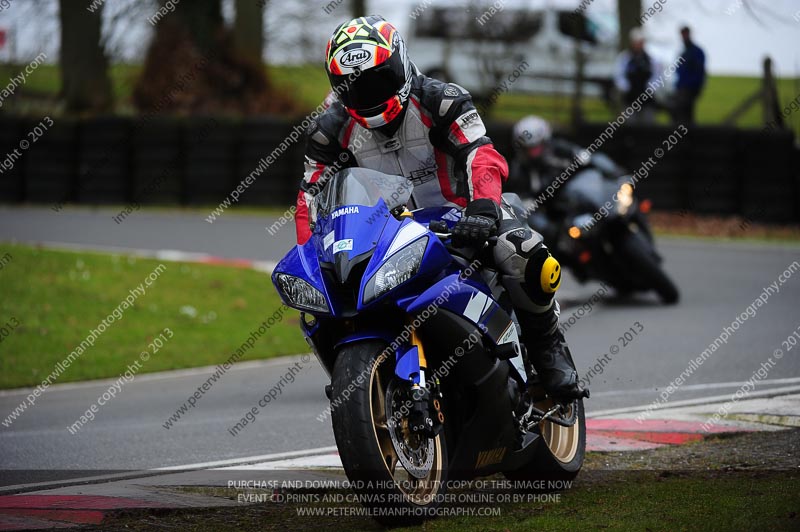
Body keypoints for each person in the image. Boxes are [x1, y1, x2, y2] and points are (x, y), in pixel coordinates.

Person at [294, 16, 587, 401]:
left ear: (399, 64)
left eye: (377, 80)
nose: (368, 94)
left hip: (463, 216)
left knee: (522, 250)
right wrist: (310, 253)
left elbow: (480, 154)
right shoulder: (328, 130)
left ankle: (548, 344)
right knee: (326, 298)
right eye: (355, 85)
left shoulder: (441, 99)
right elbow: (310, 197)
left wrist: (483, 208)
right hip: (388, 233)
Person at [614, 28, 658, 123]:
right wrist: (626, 87)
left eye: (641, 42)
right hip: (630, 98)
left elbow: (656, 76)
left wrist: (650, 88)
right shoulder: (624, 58)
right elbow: (618, 76)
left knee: (648, 124)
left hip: (647, 99)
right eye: (637, 42)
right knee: (630, 125)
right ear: (632, 43)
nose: (640, 45)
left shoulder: (650, 59)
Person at [673, 25, 706, 124]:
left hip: (690, 89)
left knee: (685, 113)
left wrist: (691, 86)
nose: (683, 37)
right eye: (682, 34)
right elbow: (679, 70)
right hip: (683, 88)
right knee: (682, 114)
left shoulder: (695, 52)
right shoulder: (684, 52)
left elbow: (699, 72)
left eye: (685, 34)